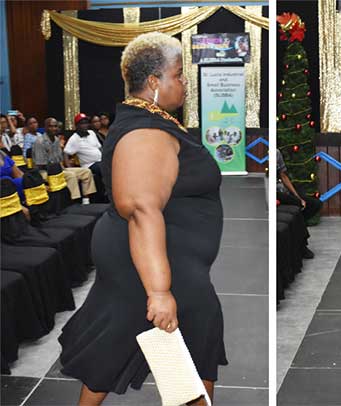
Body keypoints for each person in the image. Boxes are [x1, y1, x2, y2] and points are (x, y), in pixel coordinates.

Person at [58, 32, 226, 405]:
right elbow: (140, 209)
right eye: (178, 75)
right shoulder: (145, 132)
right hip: (155, 263)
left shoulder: (151, 121)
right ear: (153, 81)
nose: (185, 83)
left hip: (157, 258)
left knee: (122, 344)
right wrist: (160, 292)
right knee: (191, 347)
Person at [32, 117, 97, 203]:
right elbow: (41, 165)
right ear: (45, 127)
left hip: (59, 168)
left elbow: (60, 159)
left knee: (86, 172)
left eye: (55, 126)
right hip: (44, 172)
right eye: (51, 126)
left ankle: (86, 201)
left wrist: (63, 168)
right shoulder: (40, 142)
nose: (54, 128)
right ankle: (74, 202)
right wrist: (60, 169)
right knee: (71, 175)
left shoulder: (56, 140)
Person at [64, 113, 106, 202]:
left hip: (100, 161)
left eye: (86, 123)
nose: (85, 125)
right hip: (89, 164)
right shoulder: (74, 138)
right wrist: (69, 168)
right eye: (82, 123)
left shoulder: (91, 133)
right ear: (77, 126)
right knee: (103, 167)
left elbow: (99, 148)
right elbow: (66, 153)